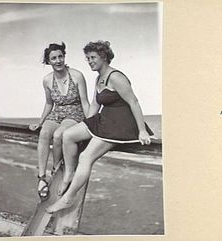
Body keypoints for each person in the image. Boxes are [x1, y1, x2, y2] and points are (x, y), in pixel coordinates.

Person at [46, 40, 154, 213]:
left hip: (119, 125)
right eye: (87, 58)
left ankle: (68, 198)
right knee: (68, 135)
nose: (89, 61)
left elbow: (133, 102)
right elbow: (95, 106)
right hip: (104, 120)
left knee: (86, 157)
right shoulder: (99, 78)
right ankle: (69, 174)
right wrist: (85, 126)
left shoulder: (116, 77)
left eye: (93, 57)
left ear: (104, 57)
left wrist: (142, 130)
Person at [29, 42, 89, 201]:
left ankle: (57, 172)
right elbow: (49, 103)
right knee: (44, 134)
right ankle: (42, 177)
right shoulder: (47, 80)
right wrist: (40, 122)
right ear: (48, 61)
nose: (58, 61)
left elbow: (84, 101)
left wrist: (91, 123)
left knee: (58, 135)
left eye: (60, 56)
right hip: (57, 112)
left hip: (74, 112)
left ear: (64, 57)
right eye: (53, 58)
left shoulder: (77, 76)